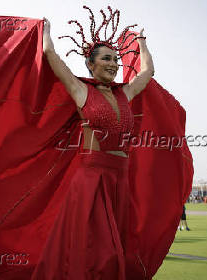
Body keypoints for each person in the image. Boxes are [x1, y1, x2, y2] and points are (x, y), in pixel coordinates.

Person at [34, 7, 159, 279]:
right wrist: (45, 30)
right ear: (91, 64)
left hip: (120, 181)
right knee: (100, 255)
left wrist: (142, 44)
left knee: (117, 251)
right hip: (91, 181)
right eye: (106, 59)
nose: (114, 63)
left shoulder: (126, 93)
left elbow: (147, 72)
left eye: (116, 59)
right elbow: (49, 54)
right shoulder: (81, 91)